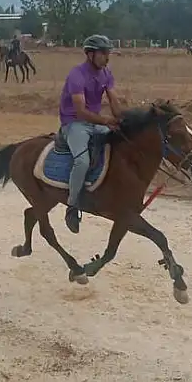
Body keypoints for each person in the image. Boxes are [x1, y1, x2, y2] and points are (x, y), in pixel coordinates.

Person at [58, 34, 123, 233]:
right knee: (82, 162)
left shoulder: (106, 73)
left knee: (121, 142)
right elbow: (80, 112)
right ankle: (72, 206)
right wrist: (106, 121)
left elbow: (114, 102)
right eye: (103, 53)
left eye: (108, 53)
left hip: (94, 121)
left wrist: (122, 121)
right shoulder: (76, 75)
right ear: (90, 54)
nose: (107, 57)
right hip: (74, 123)